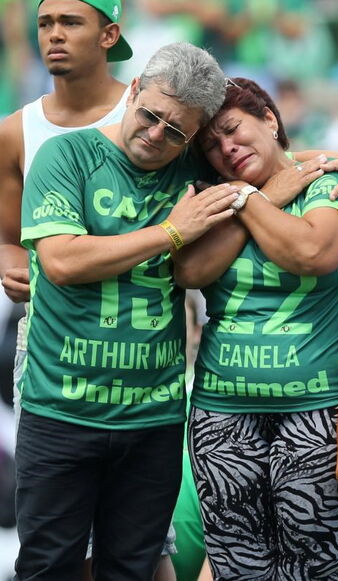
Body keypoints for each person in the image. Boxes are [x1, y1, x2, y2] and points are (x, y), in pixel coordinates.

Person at [15, 42, 233, 580]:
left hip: (153, 419)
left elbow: (270, 153)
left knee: (132, 571)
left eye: (177, 130)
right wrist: (172, 231)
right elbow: (63, 260)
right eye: (151, 115)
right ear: (132, 90)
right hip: (60, 409)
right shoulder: (66, 156)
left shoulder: (195, 171)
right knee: (48, 568)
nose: (157, 135)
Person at [173, 77, 338, 580]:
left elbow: (313, 252)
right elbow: (191, 272)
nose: (226, 148)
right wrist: (246, 198)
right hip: (223, 412)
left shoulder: (330, 184)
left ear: (270, 119)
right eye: (213, 146)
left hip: (320, 409)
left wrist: (249, 198)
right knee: (237, 568)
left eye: (233, 129)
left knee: (312, 568)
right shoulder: (209, 199)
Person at [0, 0, 131, 416]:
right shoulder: (15, 131)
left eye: (71, 23)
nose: (55, 34)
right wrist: (13, 267)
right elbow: (9, 239)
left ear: (108, 34)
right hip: (48, 362)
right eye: (45, 23)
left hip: (141, 360)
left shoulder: (147, 114)